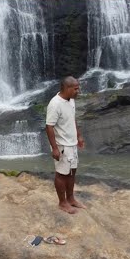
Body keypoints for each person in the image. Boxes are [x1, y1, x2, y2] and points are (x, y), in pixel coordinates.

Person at [45, 76, 85, 214]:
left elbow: (72, 118)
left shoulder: (71, 100)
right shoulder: (55, 104)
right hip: (62, 145)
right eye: (75, 89)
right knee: (62, 174)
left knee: (72, 172)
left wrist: (78, 136)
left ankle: (71, 199)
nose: (78, 91)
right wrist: (55, 148)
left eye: (78, 88)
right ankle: (62, 203)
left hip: (72, 143)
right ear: (67, 88)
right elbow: (49, 127)